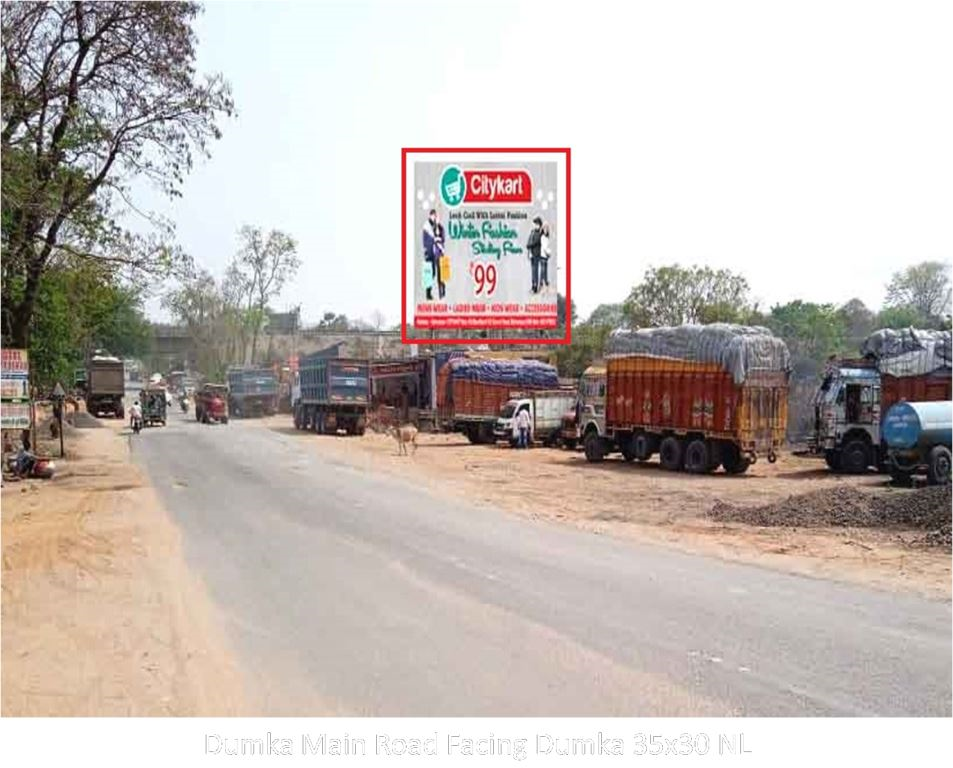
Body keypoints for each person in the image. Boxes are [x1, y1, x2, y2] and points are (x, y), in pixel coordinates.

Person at [422, 209, 447, 301]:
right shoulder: (427, 227)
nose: (434, 217)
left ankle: (442, 293)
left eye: (435, 216)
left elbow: (443, 239)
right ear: (430, 216)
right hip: (430, 253)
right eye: (433, 215)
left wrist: (438, 238)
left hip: (439, 253)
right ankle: (428, 294)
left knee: (441, 274)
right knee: (430, 274)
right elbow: (425, 240)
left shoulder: (440, 227)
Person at [526, 217, 543, 293]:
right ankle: (533, 286)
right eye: (535, 224)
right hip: (532, 254)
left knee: (535, 270)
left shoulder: (540, 233)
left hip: (537, 254)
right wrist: (529, 245)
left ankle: (535, 287)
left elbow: (536, 242)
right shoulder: (532, 232)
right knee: (533, 271)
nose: (535, 225)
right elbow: (528, 242)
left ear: (539, 225)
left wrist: (529, 245)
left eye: (537, 224)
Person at [539, 222, 552, 292]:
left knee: (545, 269)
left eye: (547, 229)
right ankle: (541, 282)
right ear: (542, 229)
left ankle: (545, 281)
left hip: (546, 255)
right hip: (543, 255)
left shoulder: (546, 238)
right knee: (543, 269)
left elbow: (547, 246)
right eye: (544, 228)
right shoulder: (543, 237)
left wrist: (548, 253)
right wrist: (549, 252)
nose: (546, 230)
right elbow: (544, 247)